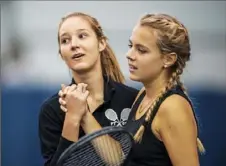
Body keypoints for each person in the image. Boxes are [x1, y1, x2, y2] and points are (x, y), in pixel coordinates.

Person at [38, 12, 138, 166]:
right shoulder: (52, 110)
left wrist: (83, 113)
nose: (74, 44)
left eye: (82, 36)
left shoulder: (133, 100)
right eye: (65, 40)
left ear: (101, 43)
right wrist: (72, 118)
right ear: (61, 54)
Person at [123, 13, 205, 166]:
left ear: (168, 59)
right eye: (131, 46)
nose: (129, 55)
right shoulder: (143, 95)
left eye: (141, 50)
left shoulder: (173, 107)